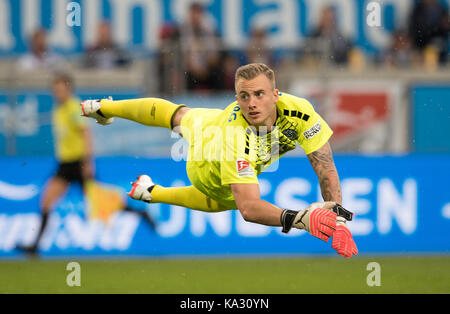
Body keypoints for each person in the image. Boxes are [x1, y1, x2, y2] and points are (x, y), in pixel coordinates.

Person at [80, 63, 358, 258]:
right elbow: (249, 209)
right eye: (244, 96)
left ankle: (104, 108)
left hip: (210, 121)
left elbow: (326, 170)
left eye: (259, 94)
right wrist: (300, 219)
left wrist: (340, 220)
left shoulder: (301, 112)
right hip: (205, 162)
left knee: (178, 115)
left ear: (276, 95)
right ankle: (154, 192)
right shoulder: (233, 138)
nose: (251, 103)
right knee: (229, 198)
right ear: (236, 98)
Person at [17, 73, 156, 256]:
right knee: (46, 202)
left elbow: (86, 133)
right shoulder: (58, 110)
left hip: (79, 163)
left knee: (99, 202)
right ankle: (35, 247)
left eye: (60, 89)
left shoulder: (74, 107)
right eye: (55, 90)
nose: (58, 93)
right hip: (65, 165)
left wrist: (88, 161)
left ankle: (140, 213)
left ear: (68, 89)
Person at [409, 0, 449, 64]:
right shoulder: (417, 10)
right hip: (421, 48)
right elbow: (417, 30)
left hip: (439, 50)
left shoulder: (441, 9)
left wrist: (445, 26)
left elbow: (445, 30)